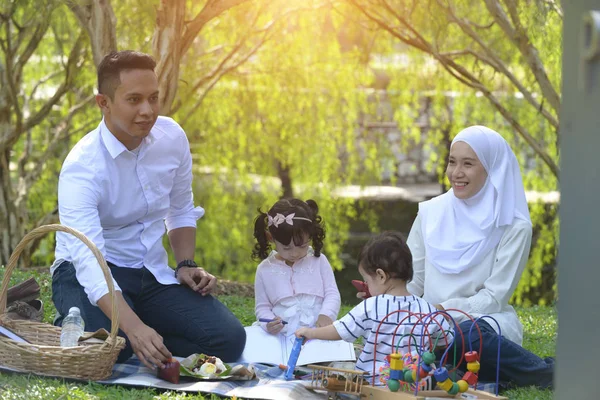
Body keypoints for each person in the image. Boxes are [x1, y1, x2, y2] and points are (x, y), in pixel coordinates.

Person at [51, 50, 246, 371]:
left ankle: (132, 331)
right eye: (134, 100)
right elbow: (91, 265)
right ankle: (80, 322)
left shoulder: (172, 138)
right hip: (85, 273)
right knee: (113, 349)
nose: (148, 110)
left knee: (229, 340)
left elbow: (181, 209)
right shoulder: (81, 168)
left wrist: (185, 264)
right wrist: (135, 328)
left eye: (154, 98)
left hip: (149, 272)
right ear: (103, 103)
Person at [405, 125, 554, 388]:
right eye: (452, 162)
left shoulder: (514, 226)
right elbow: (412, 281)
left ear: (491, 169)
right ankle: (475, 374)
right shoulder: (429, 213)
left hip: (480, 324)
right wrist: (390, 299)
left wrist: (443, 311)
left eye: (468, 164)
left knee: (469, 337)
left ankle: (547, 374)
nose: (456, 173)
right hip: (427, 326)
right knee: (407, 336)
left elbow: (494, 297)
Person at [296, 232, 451, 384]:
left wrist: (310, 332)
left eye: (367, 281)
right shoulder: (427, 308)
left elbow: (339, 330)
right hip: (418, 383)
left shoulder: (371, 306)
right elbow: (446, 338)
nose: (368, 286)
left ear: (381, 276)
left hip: (376, 382)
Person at [252, 198, 341, 334]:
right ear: (271, 238)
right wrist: (269, 323)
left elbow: (332, 293)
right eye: (287, 248)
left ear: (309, 237)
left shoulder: (319, 261)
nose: (295, 253)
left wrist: (326, 314)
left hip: (318, 330)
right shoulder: (264, 269)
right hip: (283, 333)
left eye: (302, 246)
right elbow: (262, 307)